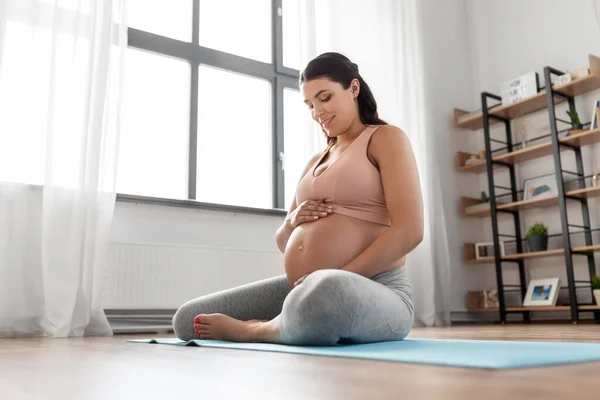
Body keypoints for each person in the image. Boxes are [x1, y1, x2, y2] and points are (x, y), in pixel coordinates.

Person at [172, 52, 424, 346]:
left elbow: (409, 231)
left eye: (325, 98)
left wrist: (335, 276)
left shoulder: (385, 138)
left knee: (327, 294)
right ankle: (290, 322)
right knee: (189, 319)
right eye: (310, 105)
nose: (317, 112)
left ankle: (257, 331)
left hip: (374, 288)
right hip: (304, 288)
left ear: (353, 89)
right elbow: (283, 242)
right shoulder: (316, 160)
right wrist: (292, 221)